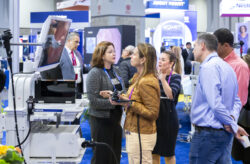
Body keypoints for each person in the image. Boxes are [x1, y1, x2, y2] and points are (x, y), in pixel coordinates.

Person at [189, 33, 248, 164]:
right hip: (222, 134)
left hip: (208, 135)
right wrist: (232, 119)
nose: (193, 50)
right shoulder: (227, 67)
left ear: (203, 45)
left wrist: (232, 123)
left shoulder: (209, 67)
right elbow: (237, 100)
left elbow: (215, 104)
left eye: (195, 46)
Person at [111, 43, 160, 164]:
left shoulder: (146, 81)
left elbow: (153, 113)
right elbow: (134, 100)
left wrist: (130, 104)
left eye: (134, 54)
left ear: (143, 59)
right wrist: (120, 99)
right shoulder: (138, 77)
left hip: (141, 133)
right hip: (134, 130)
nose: (131, 56)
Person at [86, 41, 125, 164]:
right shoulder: (95, 73)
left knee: (115, 154)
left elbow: (122, 90)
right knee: (101, 156)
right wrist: (112, 102)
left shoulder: (116, 70)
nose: (114, 54)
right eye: (110, 52)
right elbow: (93, 101)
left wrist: (117, 98)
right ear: (102, 55)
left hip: (116, 118)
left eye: (114, 51)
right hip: (100, 120)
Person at [152, 51, 181, 164]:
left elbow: (171, 95)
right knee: (154, 152)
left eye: (163, 60)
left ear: (171, 63)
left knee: (169, 154)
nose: (160, 62)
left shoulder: (176, 77)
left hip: (169, 118)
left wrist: (163, 79)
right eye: (159, 59)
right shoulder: (154, 76)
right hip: (155, 117)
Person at [230, 50, 250, 164]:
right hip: (242, 117)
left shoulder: (242, 70)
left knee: (244, 152)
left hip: (242, 116)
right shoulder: (243, 70)